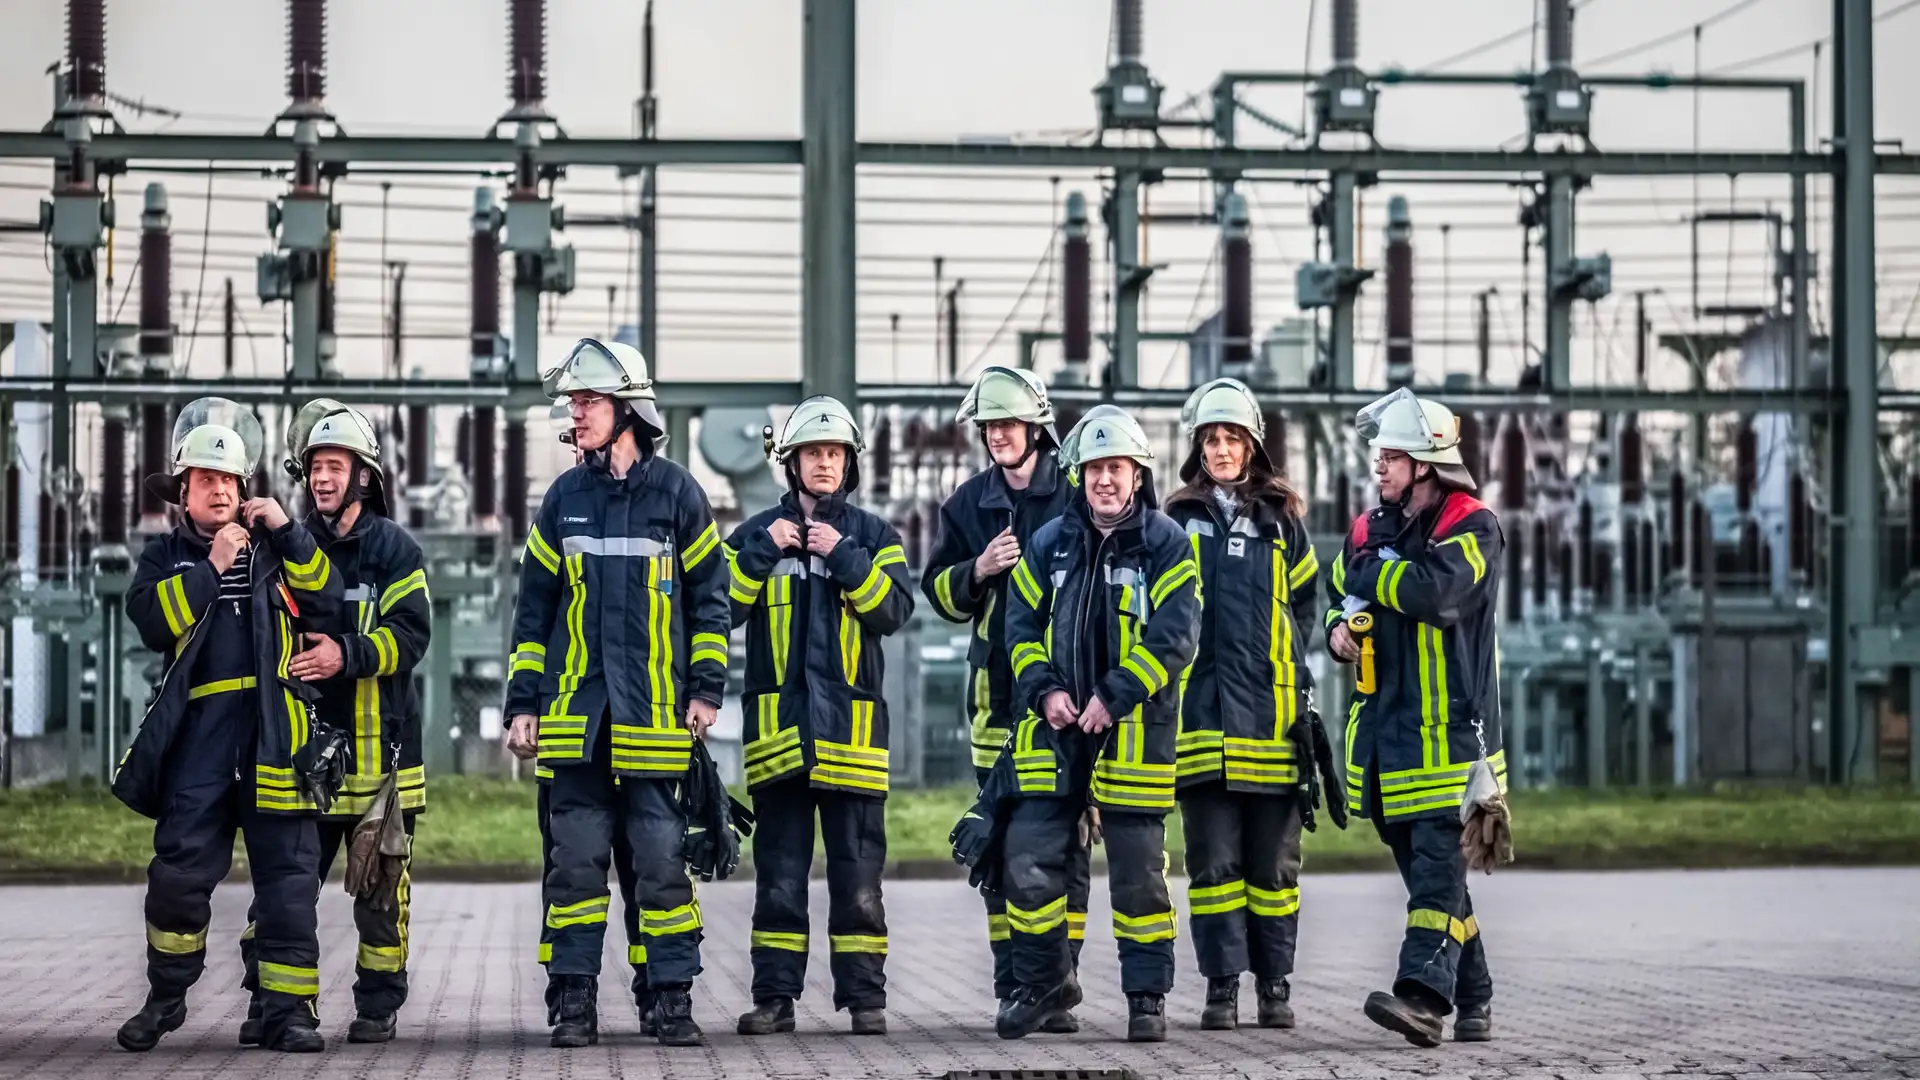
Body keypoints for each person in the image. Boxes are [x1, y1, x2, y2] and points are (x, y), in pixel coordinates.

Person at [502, 338, 732, 1048]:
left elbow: (711, 602)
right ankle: (573, 1002)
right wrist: (522, 703)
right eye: (574, 402)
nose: (577, 413)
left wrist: (706, 690)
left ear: (628, 409)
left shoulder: (679, 496)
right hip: (576, 725)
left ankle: (669, 998)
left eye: (589, 401)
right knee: (574, 869)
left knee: (661, 869)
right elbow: (533, 613)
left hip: (657, 723)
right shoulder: (563, 500)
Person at [113, 399, 344, 1053]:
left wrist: (289, 532)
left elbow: (328, 598)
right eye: (206, 479)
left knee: (289, 884)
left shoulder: (278, 550)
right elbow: (151, 620)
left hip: (278, 738)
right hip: (202, 741)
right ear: (183, 490)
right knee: (178, 876)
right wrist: (212, 566)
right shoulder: (165, 557)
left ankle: (288, 1014)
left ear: (245, 489)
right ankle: (166, 998)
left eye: (229, 480)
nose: (219, 490)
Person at [996, 405, 1201, 1043]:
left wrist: (1115, 696)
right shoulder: (1049, 542)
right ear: (1078, 475)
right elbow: (1019, 627)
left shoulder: (1167, 542)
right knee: (1029, 862)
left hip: (1133, 736)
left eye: (1116, 468)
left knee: (1140, 880)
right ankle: (1045, 985)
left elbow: (1176, 636)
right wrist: (1045, 691)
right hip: (1056, 733)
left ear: (1138, 475)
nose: (1104, 480)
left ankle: (1147, 1000)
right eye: (1093, 469)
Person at [232, 401, 430, 1045]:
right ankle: (273, 1002)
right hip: (306, 761)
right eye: (315, 467)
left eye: (335, 467)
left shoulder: (395, 549)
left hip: (380, 764)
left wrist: (345, 655)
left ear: (363, 476)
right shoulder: (288, 545)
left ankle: (377, 1006)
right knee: (283, 898)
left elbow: (411, 637)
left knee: (382, 902)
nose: (321, 478)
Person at [725, 396, 914, 1037]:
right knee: (778, 881)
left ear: (849, 463)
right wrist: (760, 551)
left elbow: (893, 612)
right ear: (792, 463)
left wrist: (844, 556)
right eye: (813, 453)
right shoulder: (755, 535)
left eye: (834, 453)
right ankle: (774, 1000)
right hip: (779, 741)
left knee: (858, 881)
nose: (825, 463)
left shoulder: (876, 538)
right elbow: (719, 609)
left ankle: (865, 1001)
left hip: (852, 744)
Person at [1324, 387, 1507, 1047]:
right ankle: (1475, 997)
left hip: (1451, 741)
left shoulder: (1474, 526)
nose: (1380, 465)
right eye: (1380, 455)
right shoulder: (1368, 529)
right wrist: (1336, 631)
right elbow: (1338, 587)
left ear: (1426, 463)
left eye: (1392, 456)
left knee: (1435, 875)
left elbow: (1436, 594)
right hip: (1385, 744)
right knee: (1437, 884)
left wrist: (1372, 574)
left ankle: (1423, 1000)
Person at [919, 366, 1087, 1029]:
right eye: (989, 426)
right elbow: (938, 591)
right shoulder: (968, 504)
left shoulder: (1074, 491)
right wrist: (978, 569)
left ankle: (1058, 983)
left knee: (1068, 848)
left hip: (1068, 702)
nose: (997, 435)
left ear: (1037, 428)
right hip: (996, 702)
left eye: (1009, 424)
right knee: (998, 847)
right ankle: (1015, 984)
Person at [1163, 378, 1320, 1031]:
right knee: (1214, 868)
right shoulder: (1176, 520)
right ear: (1198, 448)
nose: (1222, 449)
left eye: (1232, 438)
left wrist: (1286, 671)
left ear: (1252, 445)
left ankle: (1274, 987)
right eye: (1211, 439)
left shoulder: (1282, 522)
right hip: (1201, 722)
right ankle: (1221, 988)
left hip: (1273, 723)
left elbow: (1304, 607)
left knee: (1274, 868)